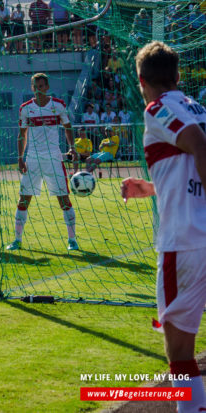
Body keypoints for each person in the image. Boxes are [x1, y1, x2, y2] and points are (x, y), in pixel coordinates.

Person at [121, 41, 206, 413]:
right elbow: (191, 169)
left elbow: (200, 148)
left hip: (185, 242)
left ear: (141, 80)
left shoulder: (158, 108)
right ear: (177, 75)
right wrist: (152, 189)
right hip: (197, 235)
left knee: (180, 353)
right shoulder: (196, 106)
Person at [6, 73, 78, 251]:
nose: (39, 90)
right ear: (32, 88)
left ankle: (72, 240)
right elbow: (22, 134)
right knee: (24, 199)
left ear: (47, 87)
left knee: (63, 199)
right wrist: (20, 157)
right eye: (35, 87)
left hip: (54, 157)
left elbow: (68, 128)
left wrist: (72, 147)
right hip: (33, 159)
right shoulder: (25, 108)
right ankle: (17, 240)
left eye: (42, 86)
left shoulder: (59, 105)